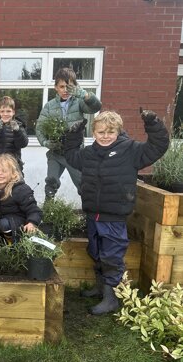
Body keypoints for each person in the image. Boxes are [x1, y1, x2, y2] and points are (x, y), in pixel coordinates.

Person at [63, 108, 169, 315]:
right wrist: (73, 134)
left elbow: (158, 146)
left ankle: (111, 298)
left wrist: (153, 123)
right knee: (95, 251)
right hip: (93, 214)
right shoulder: (89, 153)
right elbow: (71, 156)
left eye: (110, 132)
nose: (105, 136)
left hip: (114, 216)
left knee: (111, 256)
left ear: (118, 132)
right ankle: (100, 287)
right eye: (100, 132)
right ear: (94, 133)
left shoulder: (132, 150)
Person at [36, 68, 101, 199]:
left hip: (75, 153)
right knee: (51, 182)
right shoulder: (49, 106)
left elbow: (96, 107)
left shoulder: (79, 102)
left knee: (83, 184)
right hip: (56, 153)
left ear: (75, 86)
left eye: (69, 87)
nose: (65, 90)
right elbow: (40, 127)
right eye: (62, 87)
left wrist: (84, 94)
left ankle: (91, 214)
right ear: (55, 88)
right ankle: (49, 213)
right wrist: (46, 142)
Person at [0, 95, 28, 172]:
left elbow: (23, 144)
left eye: (8, 111)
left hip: (13, 165)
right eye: (2, 111)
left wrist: (17, 131)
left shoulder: (19, 126)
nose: (5, 114)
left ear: (13, 112)